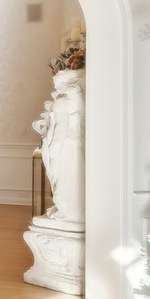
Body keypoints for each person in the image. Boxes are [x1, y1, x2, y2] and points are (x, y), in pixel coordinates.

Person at [34, 70, 84, 223]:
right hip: (54, 140)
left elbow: (76, 121)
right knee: (56, 173)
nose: (56, 86)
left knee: (67, 173)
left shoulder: (74, 97)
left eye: (58, 82)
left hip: (67, 141)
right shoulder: (59, 98)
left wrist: (73, 140)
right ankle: (61, 205)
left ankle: (70, 209)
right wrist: (43, 127)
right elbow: (53, 120)